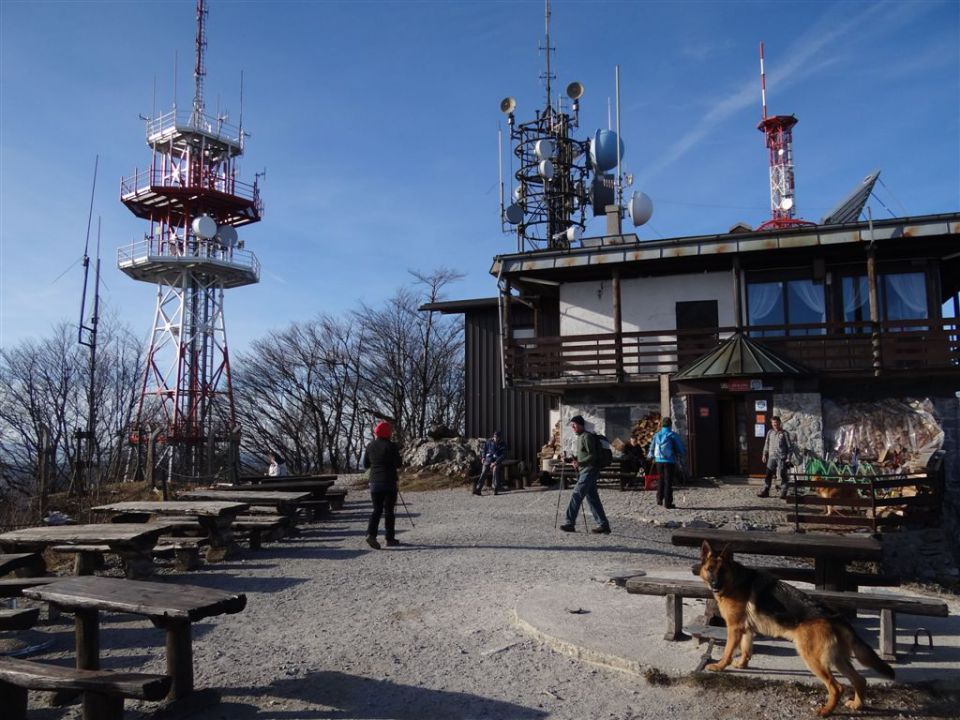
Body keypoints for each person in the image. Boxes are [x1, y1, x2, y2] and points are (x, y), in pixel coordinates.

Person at [560, 415, 611, 534]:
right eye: (572, 424)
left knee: (576, 494)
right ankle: (603, 525)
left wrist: (580, 462)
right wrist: (569, 460)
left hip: (589, 471)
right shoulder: (580, 437)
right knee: (593, 499)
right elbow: (582, 456)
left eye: (575, 424)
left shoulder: (587, 437)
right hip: (586, 471)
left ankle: (569, 523)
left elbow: (593, 456)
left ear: (581, 425)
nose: (572, 426)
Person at [363, 421, 403, 549]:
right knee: (389, 511)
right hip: (389, 481)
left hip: (374, 482)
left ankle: (371, 534)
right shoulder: (391, 446)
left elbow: (366, 465)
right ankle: (389, 538)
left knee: (377, 510)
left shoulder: (369, 446)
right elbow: (398, 463)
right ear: (388, 433)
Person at [647, 417, 685, 509]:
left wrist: (650, 456)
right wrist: (681, 453)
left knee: (661, 479)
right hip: (669, 461)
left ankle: (659, 499)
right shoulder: (672, 435)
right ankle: (668, 503)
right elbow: (680, 449)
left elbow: (651, 448)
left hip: (658, 461)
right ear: (670, 425)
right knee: (668, 482)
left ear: (662, 424)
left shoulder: (657, 435)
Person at [759, 415, 793, 498]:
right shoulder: (770, 432)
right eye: (773, 423)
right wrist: (764, 454)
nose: (775, 425)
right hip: (772, 456)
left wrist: (788, 458)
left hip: (782, 457)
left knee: (783, 474)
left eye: (776, 423)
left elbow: (790, 447)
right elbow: (766, 443)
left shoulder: (785, 433)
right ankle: (766, 490)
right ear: (771, 423)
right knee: (768, 473)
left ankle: (783, 492)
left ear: (779, 423)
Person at [473, 430, 507, 496]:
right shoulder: (489, 441)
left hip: (497, 461)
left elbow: (503, 455)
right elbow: (484, 450)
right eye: (494, 436)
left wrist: (495, 462)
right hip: (488, 460)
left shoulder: (503, 444)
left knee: (495, 470)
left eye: (497, 437)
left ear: (500, 438)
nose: (495, 438)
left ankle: (495, 489)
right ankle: (478, 489)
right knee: (484, 471)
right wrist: (483, 457)